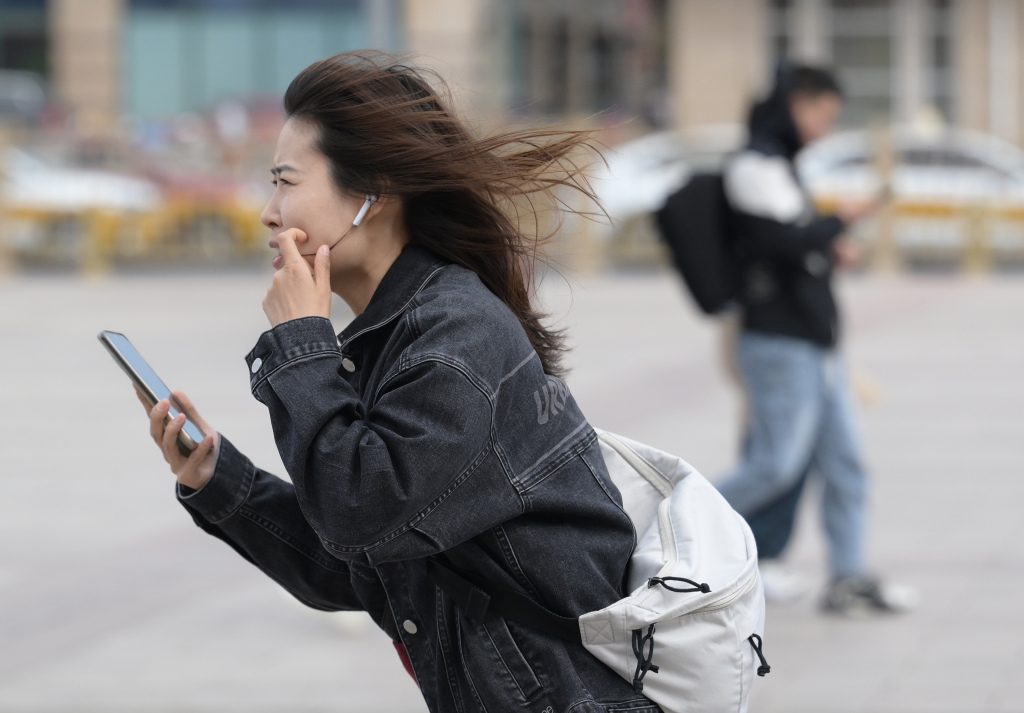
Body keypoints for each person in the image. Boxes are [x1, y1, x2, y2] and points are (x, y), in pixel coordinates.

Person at [135, 52, 661, 713]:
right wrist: (217, 479)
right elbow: (359, 564)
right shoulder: (399, 334)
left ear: (374, 193)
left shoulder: (455, 338)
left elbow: (360, 519)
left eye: (285, 182)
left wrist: (301, 341)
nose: (268, 212)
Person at [714, 63, 918, 615]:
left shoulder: (783, 167)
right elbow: (782, 243)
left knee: (846, 464)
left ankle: (848, 578)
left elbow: (796, 244)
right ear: (796, 105)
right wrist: (839, 221)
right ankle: (670, 532)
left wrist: (829, 244)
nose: (825, 129)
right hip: (780, 344)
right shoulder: (753, 165)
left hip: (816, 345)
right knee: (774, 466)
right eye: (822, 115)